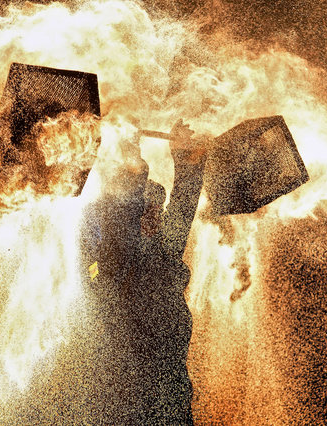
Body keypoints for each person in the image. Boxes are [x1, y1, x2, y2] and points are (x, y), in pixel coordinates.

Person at [79, 120, 207, 424]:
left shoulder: (163, 256)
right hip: (127, 411)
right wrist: (132, 160)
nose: (154, 216)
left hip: (171, 410)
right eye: (145, 209)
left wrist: (186, 161)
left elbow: (181, 211)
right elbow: (121, 229)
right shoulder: (108, 265)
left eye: (157, 210)